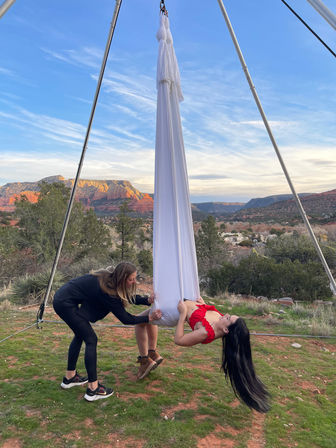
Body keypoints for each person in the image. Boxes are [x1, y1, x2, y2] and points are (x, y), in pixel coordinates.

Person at [53, 262, 162, 402]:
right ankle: (93, 389)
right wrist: (149, 318)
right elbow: (126, 318)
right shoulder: (107, 292)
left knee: (81, 335)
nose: (134, 281)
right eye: (131, 279)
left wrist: (146, 300)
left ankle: (70, 378)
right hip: (65, 303)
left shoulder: (111, 279)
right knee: (91, 339)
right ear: (122, 278)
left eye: (135, 278)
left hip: (63, 298)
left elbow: (125, 296)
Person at [174, 297, 270, 413]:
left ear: (225, 330)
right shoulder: (220, 320)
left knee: (146, 319)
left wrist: (183, 314)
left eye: (228, 318)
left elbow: (179, 340)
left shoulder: (205, 332)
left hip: (176, 307)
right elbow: (207, 314)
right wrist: (203, 305)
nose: (226, 314)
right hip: (185, 299)